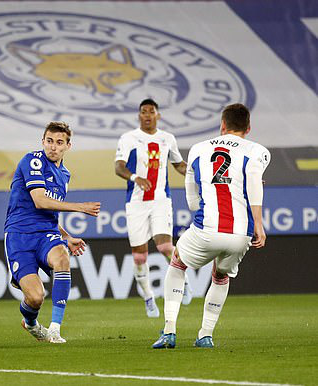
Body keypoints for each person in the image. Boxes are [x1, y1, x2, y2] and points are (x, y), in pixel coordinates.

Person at [152, 103, 270, 349]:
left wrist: (201, 206)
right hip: (240, 234)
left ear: (222, 125)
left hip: (207, 228)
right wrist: (259, 225)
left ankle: (169, 331)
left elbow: (192, 198)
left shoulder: (198, 149)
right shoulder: (258, 151)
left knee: (177, 262)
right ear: (248, 128)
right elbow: (254, 185)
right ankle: (205, 335)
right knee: (220, 275)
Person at [4, 121, 101, 344]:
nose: (53, 147)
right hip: (19, 235)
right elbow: (39, 201)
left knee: (62, 257)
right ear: (42, 141)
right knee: (36, 297)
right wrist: (80, 207)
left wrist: (66, 237)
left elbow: (50, 213)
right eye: (49, 141)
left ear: (68, 146)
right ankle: (30, 323)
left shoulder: (64, 174)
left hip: (46, 234)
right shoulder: (33, 160)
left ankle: (55, 329)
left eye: (59, 142)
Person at [115, 98, 192, 318]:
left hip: (160, 200)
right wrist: (134, 177)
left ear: (158, 115)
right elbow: (118, 167)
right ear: (139, 116)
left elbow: (178, 164)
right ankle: (148, 296)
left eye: (151, 111)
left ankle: (183, 284)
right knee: (140, 257)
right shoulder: (129, 138)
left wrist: (197, 174)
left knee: (166, 247)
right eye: (143, 112)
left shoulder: (167, 139)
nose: (147, 115)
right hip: (136, 203)